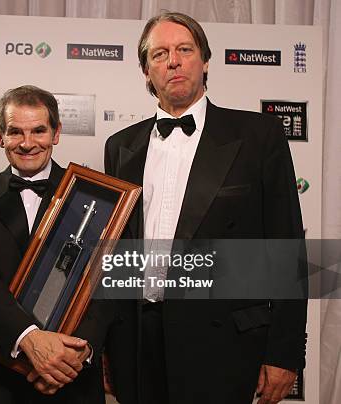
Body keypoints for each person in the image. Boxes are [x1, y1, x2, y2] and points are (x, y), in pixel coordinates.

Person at [104, 12, 307, 404]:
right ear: (147, 71)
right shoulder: (120, 146)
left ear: (206, 60)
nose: (173, 61)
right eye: (159, 54)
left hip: (223, 344)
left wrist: (284, 352)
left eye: (184, 49)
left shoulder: (257, 135)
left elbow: (286, 247)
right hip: (137, 343)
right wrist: (109, 346)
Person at [0, 85, 116, 404]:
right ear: (0, 136)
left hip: (70, 374)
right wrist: (30, 340)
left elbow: (104, 286)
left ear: (56, 133)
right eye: (15, 132)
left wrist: (80, 351)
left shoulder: (93, 195)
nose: (27, 143)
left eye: (39, 130)